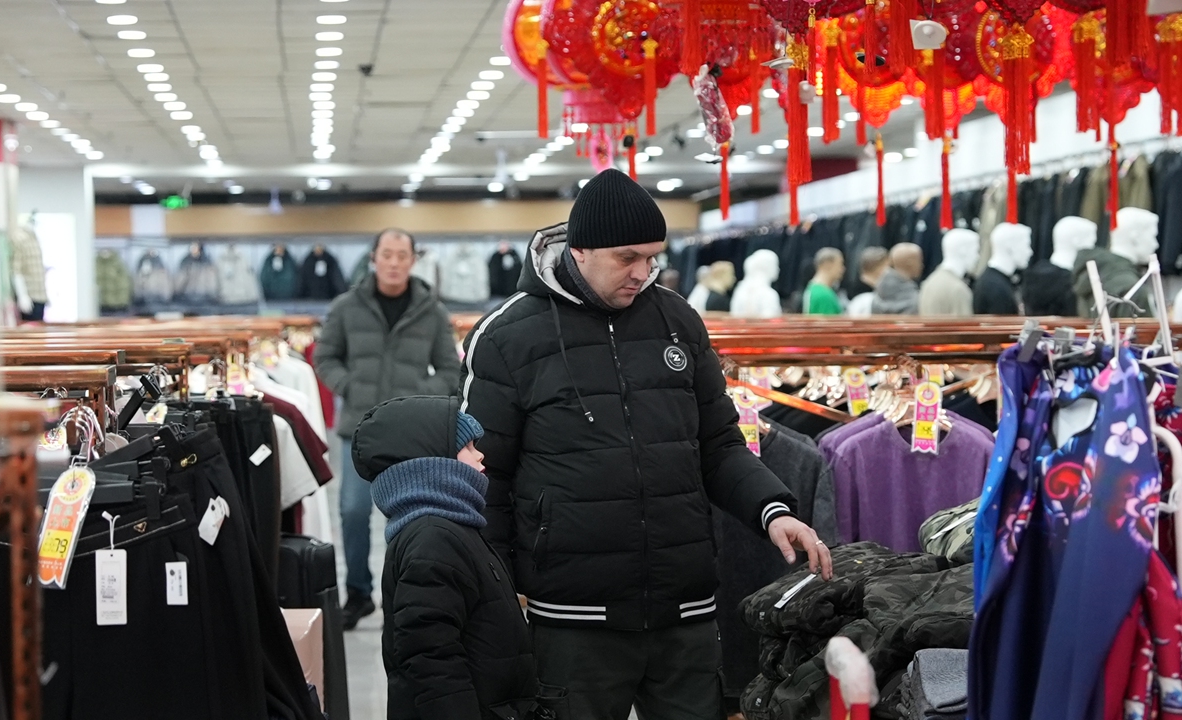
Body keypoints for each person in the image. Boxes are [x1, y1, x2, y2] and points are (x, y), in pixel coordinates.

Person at [460, 168, 833, 720]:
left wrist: (770, 510)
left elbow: (719, 445)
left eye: (653, 257)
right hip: (571, 615)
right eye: (627, 257)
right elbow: (483, 476)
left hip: (683, 608)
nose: (644, 272)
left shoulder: (677, 320)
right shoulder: (508, 336)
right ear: (580, 249)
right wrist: (498, 587)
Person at [352, 395, 552, 720]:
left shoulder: (451, 527)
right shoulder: (433, 539)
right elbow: (430, 660)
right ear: (433, 458)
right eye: (469, 446)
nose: (481, 455)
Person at [313, 228, 461, 630]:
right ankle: (359, 593)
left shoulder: (431, 310)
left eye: (402, 255)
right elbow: (325, 357)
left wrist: (416, 395)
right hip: (358, 427)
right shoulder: (346, 306)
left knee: (414, 517)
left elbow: (450, 370)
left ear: (413, 260)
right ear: (374, 258)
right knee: (354, 510)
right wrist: (350, 386)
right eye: (387, 254)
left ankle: (410, 596)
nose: (394, 262)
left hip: (410, 432)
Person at [871, 243, 923, 315]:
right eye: (919, 260)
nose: (922, 265)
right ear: (909, 263)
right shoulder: (915, 299)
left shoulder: (878, 293)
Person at [846, 247, 890, 317]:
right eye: (887, 265)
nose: (889, 270)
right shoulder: (861, 292)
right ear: (879, 266)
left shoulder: (881, 285)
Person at [803, 247, 845, 315]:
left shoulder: (812, 288)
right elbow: (829, 325)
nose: (843, 269)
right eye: (840, 264)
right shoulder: (823, 295)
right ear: (828, 264)